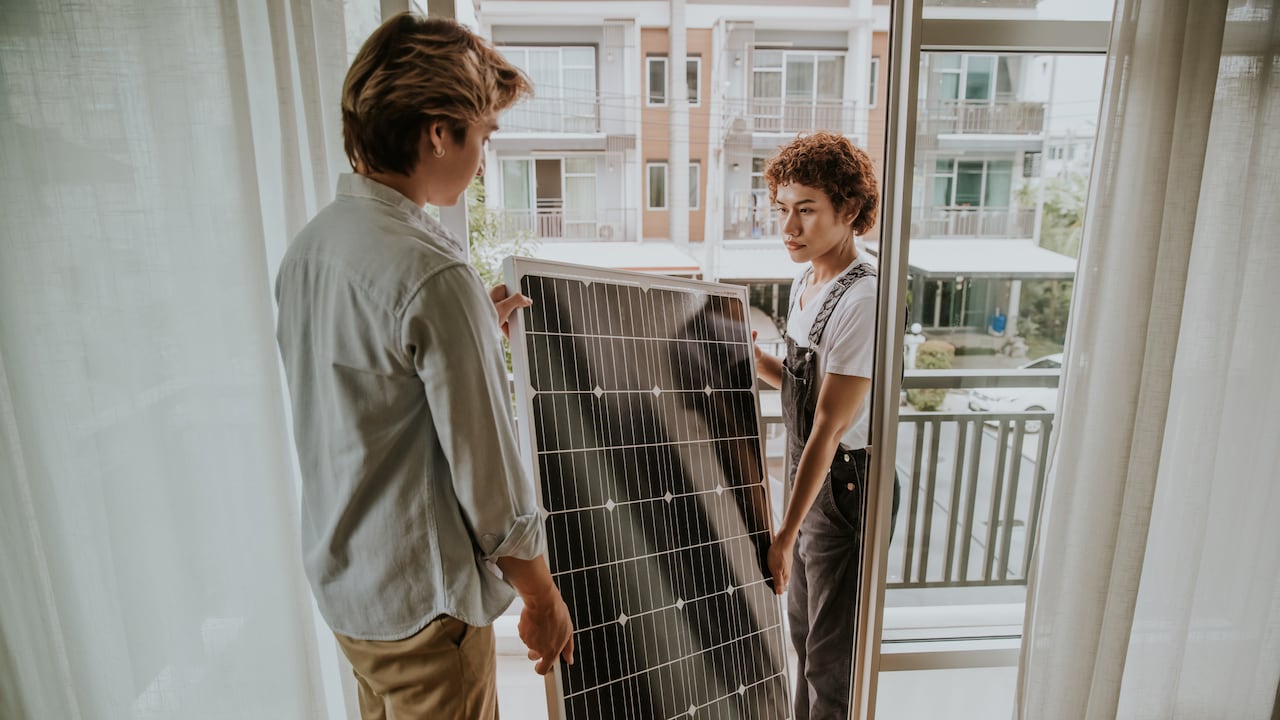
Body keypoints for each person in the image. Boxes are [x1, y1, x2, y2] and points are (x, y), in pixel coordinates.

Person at [274, 14, 572, 720]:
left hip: (353, 596)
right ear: (439, 131)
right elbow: (492, 488)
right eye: (484, 137)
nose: (484, 159)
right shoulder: (433, 274)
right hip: (424, 613)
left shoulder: (312, 248)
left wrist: (471, 330)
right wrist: (541, 597)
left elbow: (364, 385)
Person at [752, 131, 900, 720]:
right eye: (782, 208)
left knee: (829, 660)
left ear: (850, 210)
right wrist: (748, 357)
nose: (789, 225)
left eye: (806, 210)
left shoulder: (864, 298)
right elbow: (799, 386)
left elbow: (828, 428)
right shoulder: (807, 281)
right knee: (803, 643)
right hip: (810, 485)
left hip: (844, 490)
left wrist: (782, 536)